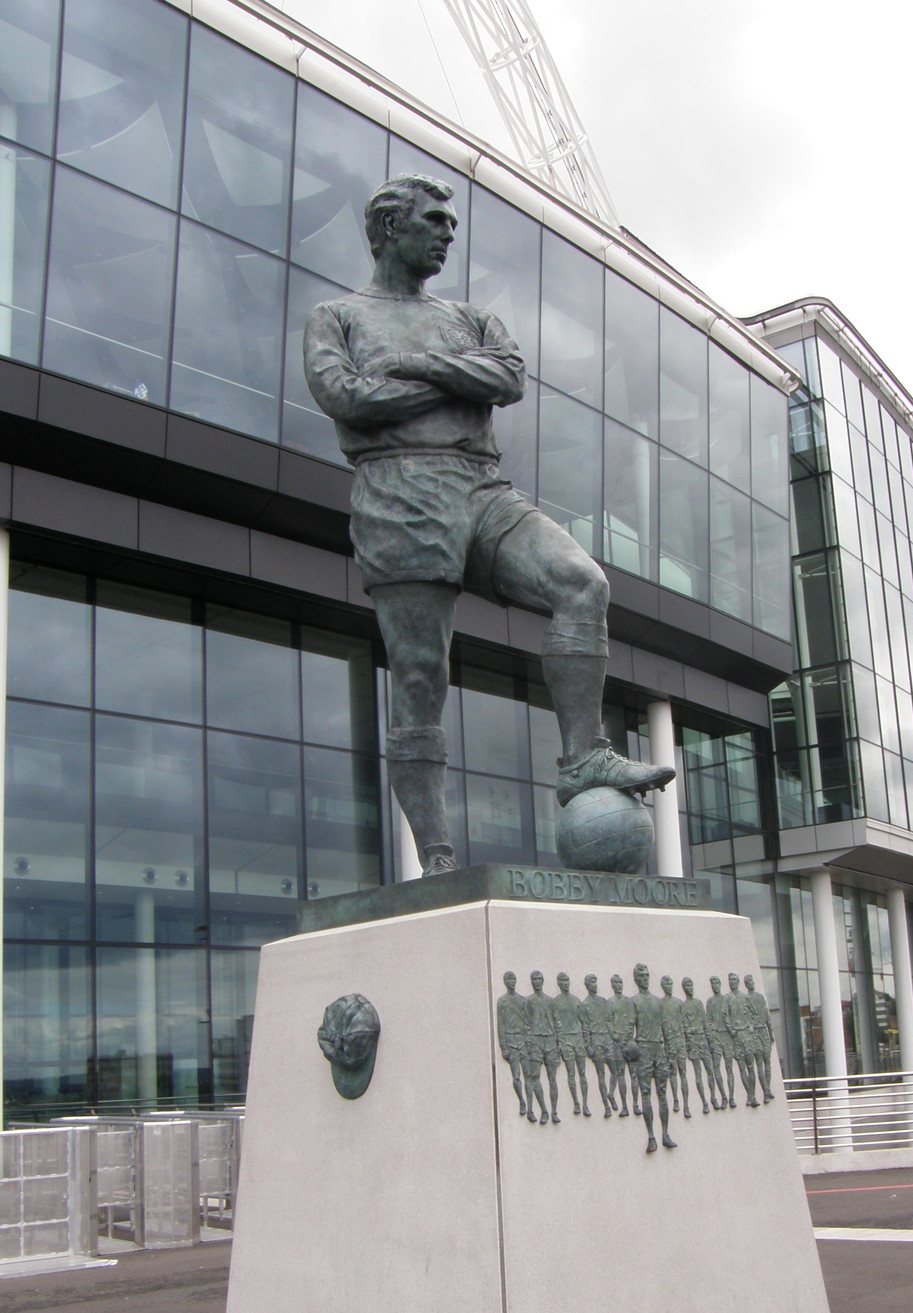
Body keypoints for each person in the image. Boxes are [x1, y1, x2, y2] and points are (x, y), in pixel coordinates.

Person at [304, 174, 673, 874]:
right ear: (386, 230)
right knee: (420, 676)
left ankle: (581, 759)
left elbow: (507, 376)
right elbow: (345, 396)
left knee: (580, 583)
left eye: (451, 221)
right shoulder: (337, 316)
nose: (448, 231)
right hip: (399, 490)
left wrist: (413, 366)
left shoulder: (471, 317)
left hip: (482, 485)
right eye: (433, 220)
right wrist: (455, 380)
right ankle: (438, 855)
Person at [632, 963, 676, 1153]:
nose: (645, 978)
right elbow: (628, 1028)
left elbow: (666, 1028)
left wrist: (671, 1054)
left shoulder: (659, 1002)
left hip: (659, 1048)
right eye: (641, 975)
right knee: (646, 1093)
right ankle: (651, 1137)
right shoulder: (633, 1001)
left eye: (646, 975)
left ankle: (665, 1134)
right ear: (635, 979)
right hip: (644, 1048)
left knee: (662, 1092)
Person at [579, 973, 618, 1117]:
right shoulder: (584, 1005)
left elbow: (609, 1021)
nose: (595, 985)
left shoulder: (604, 1001)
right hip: (595, 1040)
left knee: (615, 1071)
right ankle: (607, 1107)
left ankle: (611, 1094)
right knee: (600, 1075)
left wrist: (613, 1036)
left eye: (596, 982)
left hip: (607, 1039)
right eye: (592, 982)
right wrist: (588, 1045)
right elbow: (585, 1028)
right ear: (587, 985)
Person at [552, 972, 590, 1116]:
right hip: (566, 1040)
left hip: (578, 1039)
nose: (566, 983)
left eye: (567, 980)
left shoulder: (576, 1000)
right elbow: (556, 1023)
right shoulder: (555, 1002)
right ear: (559, 983)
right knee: (571, 1073)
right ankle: (576, 1103)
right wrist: (560, 1042)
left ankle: (585, 1103)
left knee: (582, 1073)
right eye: (563, 980)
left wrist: (586, 1041)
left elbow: (584, 1022)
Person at [681, 976, 720, 1112]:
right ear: (683, 988)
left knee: (710, 1070)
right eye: (687, 985)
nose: (690, 988)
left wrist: (710, 1041)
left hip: (703, 1041)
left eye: (691, 985)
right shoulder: (684, 1006)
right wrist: (689, 1041)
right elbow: (684, 1027)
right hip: (693, 1042)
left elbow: (705, 1023)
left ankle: (713, 1097)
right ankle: (704, 1102)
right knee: (698, 1073)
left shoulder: (698, 1003)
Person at [523, 971, 556, 1124]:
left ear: (543, 981)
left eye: (539, 979)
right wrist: (529, 1042)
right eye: (534, 979)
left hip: (550, 1041)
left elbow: (557, 1022)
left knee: (552, 1078)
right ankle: (544, 1110)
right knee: (535, 1077)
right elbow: (526, 1023)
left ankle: (555, 1111)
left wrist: (559, 1042)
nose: (536, 981)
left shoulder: (550, 1001)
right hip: (535, 1041)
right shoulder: (528, 1001)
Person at [725, 971, 760, 1108]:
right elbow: (725, 1015)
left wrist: (751, 1026)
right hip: (736, 1036)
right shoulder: (727, 998)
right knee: (741, 1067)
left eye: (734, 979)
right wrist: (731, 1029)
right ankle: (749, 1095)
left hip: (746, 1035)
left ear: (738, 982)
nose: (732, 982)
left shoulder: (745, 997)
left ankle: (753, 1096)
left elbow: (754, 1013)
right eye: (730, 980)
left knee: (751, 1065)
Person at [496, 969, 528, 1115]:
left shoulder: (522, 1000)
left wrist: (529, 1041)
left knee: (530, 1076)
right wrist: (504, 1047)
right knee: (516, 1076)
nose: (512, 981)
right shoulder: (502, 1001)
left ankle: (531, 1104)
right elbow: (500, 1024)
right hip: (511, 1041)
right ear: (505, 982)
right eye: (509, 979)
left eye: (514, 978)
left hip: (523, 1040)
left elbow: (528, 1022)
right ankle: (522, 1101)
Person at [658, 975, 691, 1117]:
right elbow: (659, 1024)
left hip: (680, 1040)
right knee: (673, 1072)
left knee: (683, 1072)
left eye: (671, 984)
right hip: (669, 1041)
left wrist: (687, 1040)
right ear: (662, 986)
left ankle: (686, 1105)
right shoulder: (660, 1004)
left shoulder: (679, 1002)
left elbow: (684, 1022)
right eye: (666, 984)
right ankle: (676, 1100)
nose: (669, 986)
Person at [605, 974, 636, 1117]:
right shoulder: (609, 1002)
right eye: (616, 982)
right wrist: (614, 1035)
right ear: (612, 985)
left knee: (633, 1074)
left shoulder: (628, 1001)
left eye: (620, 982)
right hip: (617, 1043)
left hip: (629, 1043)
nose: (619, 985)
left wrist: (626, 1038)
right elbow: (608, 1021)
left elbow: (631, 1020)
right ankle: (624, 1106)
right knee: (620, 1074)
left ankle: (635, 1104)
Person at [744, 973, 775, 1102]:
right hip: (754, 1034)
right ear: (746, 984)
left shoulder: (760, 997)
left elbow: (766, 1015)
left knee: (768, 1062)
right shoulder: (745, 999)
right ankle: (765, 1092)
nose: (752, 982)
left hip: (764, 1032)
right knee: (759, 1063)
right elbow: (745, 1018)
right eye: (749, 981)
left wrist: (771, 1032)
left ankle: (767, 1089)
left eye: (752, 980)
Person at [706, 975, 735, 1109]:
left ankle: (732, 1097)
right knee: (716, 1067)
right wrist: (711, 1038)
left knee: (729, 1068)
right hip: (716, 1036)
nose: (715, 985)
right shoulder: (710, 1001)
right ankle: (723, 1096)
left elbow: (732, 1017)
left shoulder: (727, 1000)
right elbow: (709, 1020)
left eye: (717, 983)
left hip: (727, 1036)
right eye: (713, 983)